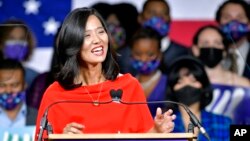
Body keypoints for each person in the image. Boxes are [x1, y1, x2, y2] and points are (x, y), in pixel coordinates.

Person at [35, 7, 176, 140]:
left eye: (101, 32)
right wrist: (60, 139)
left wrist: (156, 132)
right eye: (87, 35)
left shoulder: (129, 86)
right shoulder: (54, 95)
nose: (98, 40)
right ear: (73, 44)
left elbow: (143, 139)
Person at [191, 25, 250, 121]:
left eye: (217, 43)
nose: (211, 47)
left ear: (224, 51)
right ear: (195, 49)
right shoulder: (185, 84)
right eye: (205, 43)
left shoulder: (244, 86)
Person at [166, 56, 231, 141]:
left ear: (203, 86)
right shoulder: (164, 125)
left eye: (193, 80)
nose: (187, 85)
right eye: (180, 82)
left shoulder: (224, 123)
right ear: (172, 89)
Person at [137, 0, 191, 74]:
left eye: (164, 13)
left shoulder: (184, 54)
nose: (159, 17)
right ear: (140, 18)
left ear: (170, 18)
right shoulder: (123, 55)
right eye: (153, 13)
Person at [130, 27, 167, 117]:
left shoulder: (169, 84)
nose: (144, 59)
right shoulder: (125, 84)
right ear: (131, 54)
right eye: (138, 54)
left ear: (160, 55)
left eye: (150, 54)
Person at [215, 0, 250, 79]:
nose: (234, 23)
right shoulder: (210, 54)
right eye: (227, 17)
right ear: (219, 23)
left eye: (240, 17)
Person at [0, 19, 39, 88]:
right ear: (1, 43)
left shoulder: (35, 77)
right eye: (11, 38)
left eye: (22, 39)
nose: (17, 43)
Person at [0, 59, 38, 127]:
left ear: (24, 85)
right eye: (2, 85)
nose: (8, 91)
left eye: (14, 85)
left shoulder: (39, 118)